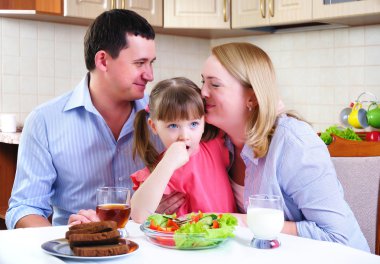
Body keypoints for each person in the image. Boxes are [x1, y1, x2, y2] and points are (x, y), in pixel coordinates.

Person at [197, 42, 370, 251]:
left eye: (214, 85)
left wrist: (241, 222)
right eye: (202, 82)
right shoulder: (217, 142)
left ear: (251, 97)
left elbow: (339, 237)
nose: (203, 92)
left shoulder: (294, 144)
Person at [5, 9, 165, 229]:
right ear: (103, 60)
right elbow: (25, 207)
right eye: (140, 63)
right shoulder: (44, 121)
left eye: (151, 63)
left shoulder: (164, 117)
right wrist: (65, 242)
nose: (150, 75)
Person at [129, 77, 236, 223]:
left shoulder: (215, 144)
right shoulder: (161, 169)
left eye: (193, 124)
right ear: (154, 127)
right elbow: (138, 215)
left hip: (227, 240)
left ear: (204, 122)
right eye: (173, 126)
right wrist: (167, 164)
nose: (184, 136)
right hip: (186, 244)